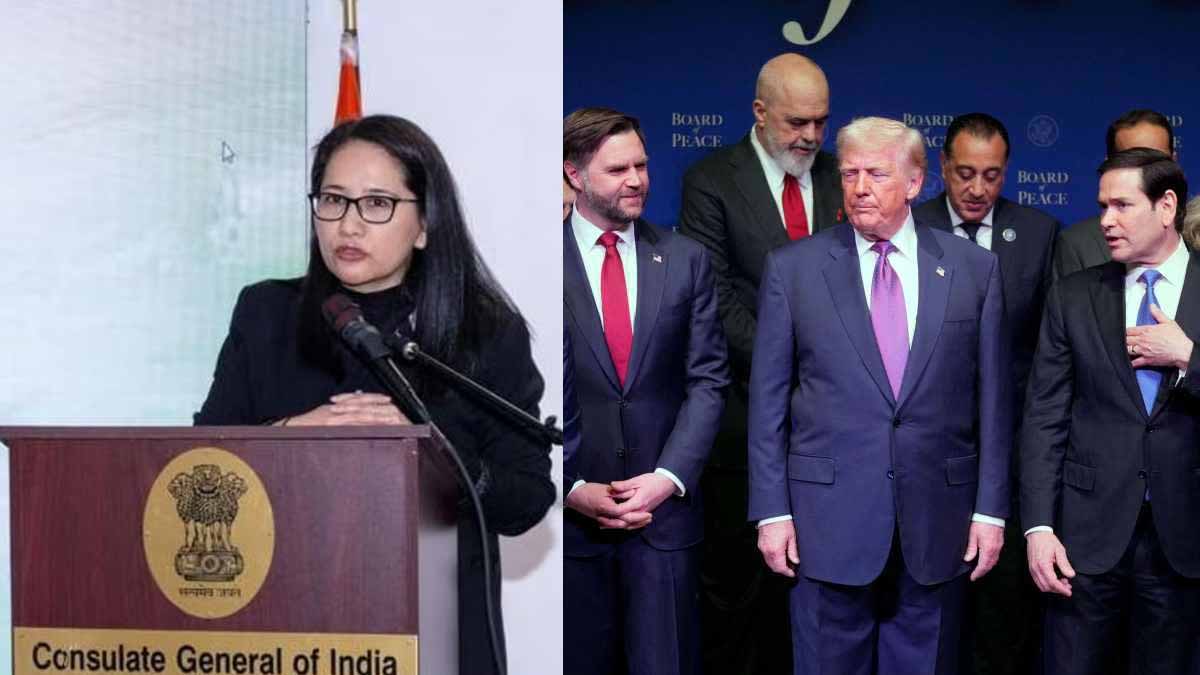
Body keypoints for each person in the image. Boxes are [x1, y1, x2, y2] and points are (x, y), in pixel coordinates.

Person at [194, 114, 555, 675]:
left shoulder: (483, 335)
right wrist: (288, 435)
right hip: (283, 627)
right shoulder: (266, 314)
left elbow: (526, 500)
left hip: (433, 631)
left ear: (424, 225)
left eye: (377, 204)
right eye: (333, 200)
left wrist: (432, 452)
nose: (348, 224)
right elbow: (198, 462)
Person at [749, 116, 1011, 674]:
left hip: (938, 522)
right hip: (825, 525)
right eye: (850, 174)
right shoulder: (793, 270)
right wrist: (771, 511)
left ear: (915, 183)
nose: (860, 188)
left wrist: (991, 510)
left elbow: (993, 403)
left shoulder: (974, 269)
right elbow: (767, 405)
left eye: (876, 174)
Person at [676, 52, 842, 674]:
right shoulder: (711, 180)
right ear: (760, 112)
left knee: (820, 598)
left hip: (833, 433)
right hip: (745, 423)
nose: (811, 136)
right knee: (738, 599)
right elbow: (714, 297)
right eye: (797, 122)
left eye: (821, 121)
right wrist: (798, 364)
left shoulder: (840, 177)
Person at [563, 106, 729, 675]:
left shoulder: (686, 259)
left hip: (665, 521)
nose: (636, 180)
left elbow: (708, 381)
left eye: (641, 165)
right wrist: (571, 485)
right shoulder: (536, 260)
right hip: (565, 530)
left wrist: (667, 478)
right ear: (574, 174)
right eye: (617, 170)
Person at [1022, 148, 1200, 675]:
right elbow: (1044, 418)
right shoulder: (1073, 295)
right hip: (1084, 540)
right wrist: (1038, 527)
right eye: (1102, 206)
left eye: (1122, 205)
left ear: (1166, 206)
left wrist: (1188, 357)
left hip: (1185, 538)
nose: (1105, 220)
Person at [912, 112, 1057, 675]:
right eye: (965, 173)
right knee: (930, 604)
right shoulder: (910, 225)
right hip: (927, 450)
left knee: (1003, 610)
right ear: (943, 166)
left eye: (991, 175)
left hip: (1009, 448)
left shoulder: (1039, 233)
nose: (977, 189)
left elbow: (1047, 350)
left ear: (1007, 171)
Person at [1055, 110, 1176, 278]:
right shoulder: (1078, 245)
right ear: (1109, 166)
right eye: (1133, 160)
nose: (1147, 172)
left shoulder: (1195, 233)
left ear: (1174, 161)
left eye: (1158, 161)